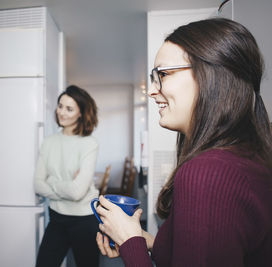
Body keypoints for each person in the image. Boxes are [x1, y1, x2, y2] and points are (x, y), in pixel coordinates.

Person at [95, 18, 272, 267]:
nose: (153, 91)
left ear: (211, 75)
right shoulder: (246, 157)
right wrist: (148, 241)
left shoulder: (207, 173)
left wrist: (129, 241)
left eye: (163, 74)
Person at [34, 85, 100, 267]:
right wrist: (68, 185)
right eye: (60, 106)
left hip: (84, 220)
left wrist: (52, 181)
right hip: (57, 218)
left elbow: (77, 192)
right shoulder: (48, 142)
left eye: (69, 109)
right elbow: (37, 185)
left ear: (81, 113)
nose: (61, 112)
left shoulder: (89, 144)